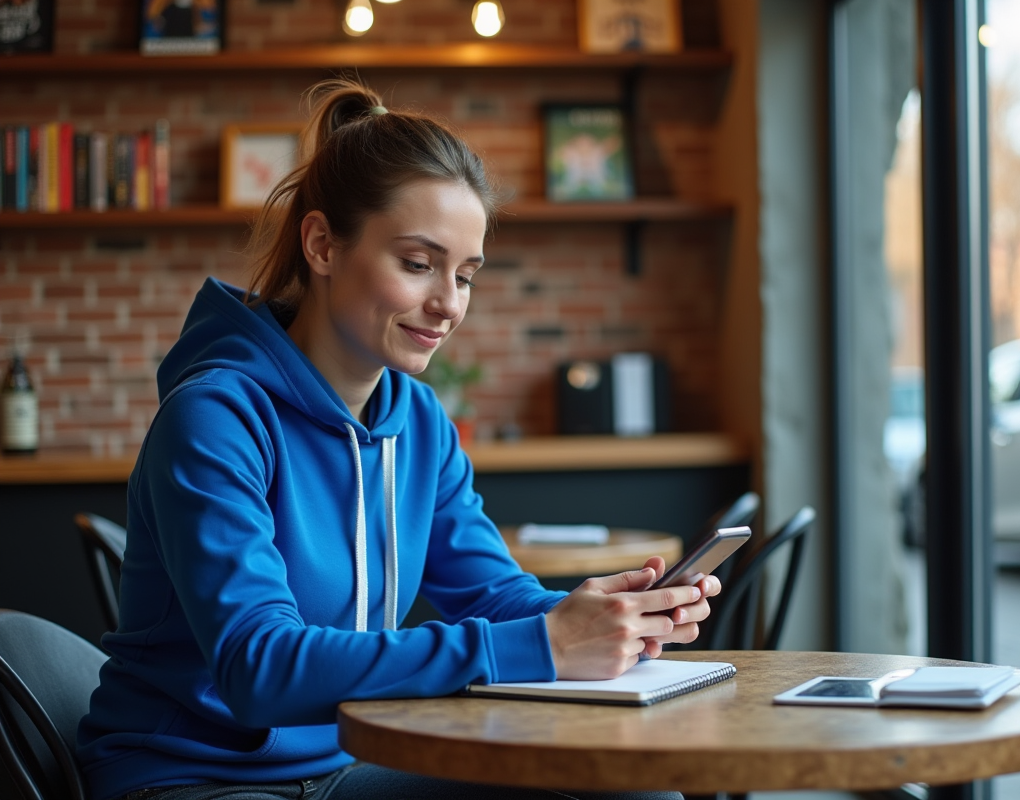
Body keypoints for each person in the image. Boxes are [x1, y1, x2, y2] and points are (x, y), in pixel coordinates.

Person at [75, 78, 721, 800]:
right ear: (321, 244)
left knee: (629, 784)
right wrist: (543, 646)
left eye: (466, 275)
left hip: (338, 768)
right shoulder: (215, 418)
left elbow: (491, 594)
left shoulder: (416, 420)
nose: (448, 304)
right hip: (190, 779)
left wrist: (602, 616)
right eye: (418, 264)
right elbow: (257, 668)